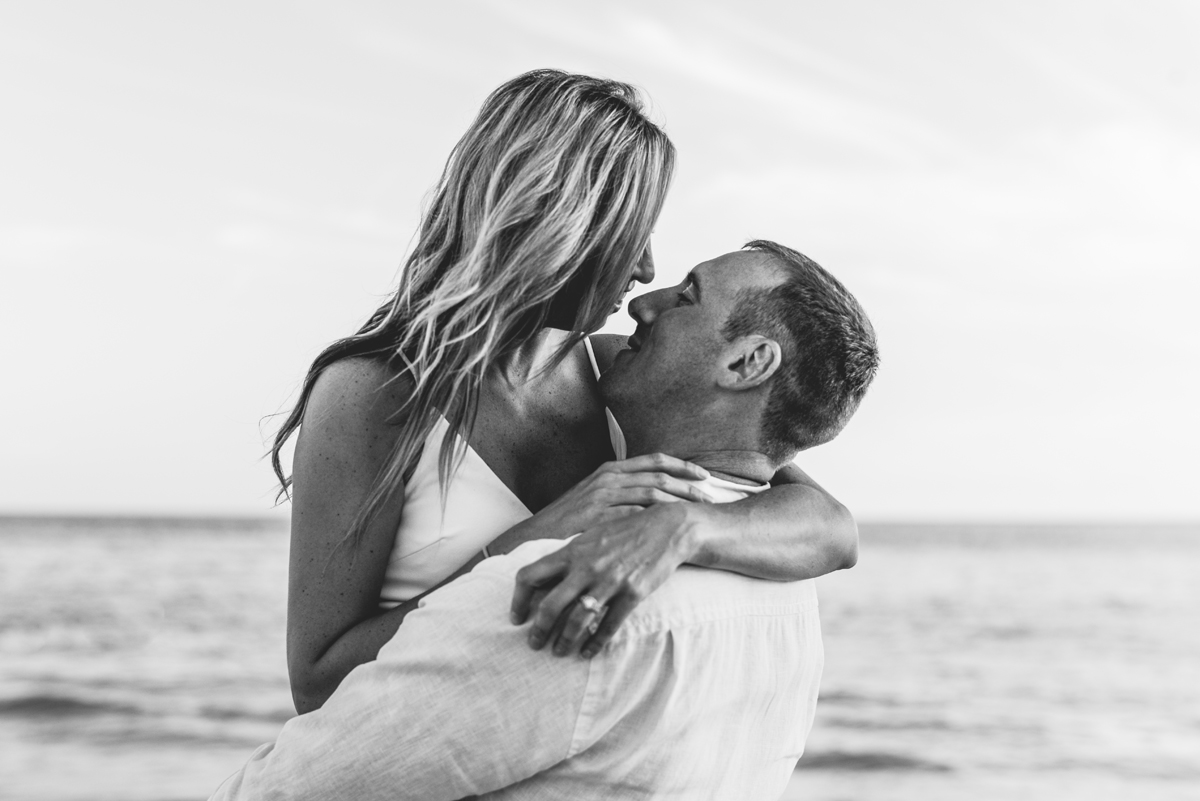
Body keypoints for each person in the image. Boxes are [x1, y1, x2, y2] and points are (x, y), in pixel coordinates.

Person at [273, 69, 860, 717]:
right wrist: (534, 539)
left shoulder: (620, 376)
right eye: (633, 232)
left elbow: (830, 529)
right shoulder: (373, 395)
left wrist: (685, 528)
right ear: (556, 224)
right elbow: (317, 682)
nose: (646, 271)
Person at [211, 240, 880, 800]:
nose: (646, 289)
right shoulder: (788, 598)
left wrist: (645, 532)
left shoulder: (577, 590)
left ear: (746, 362)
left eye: (684, 297)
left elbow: (292, 787)